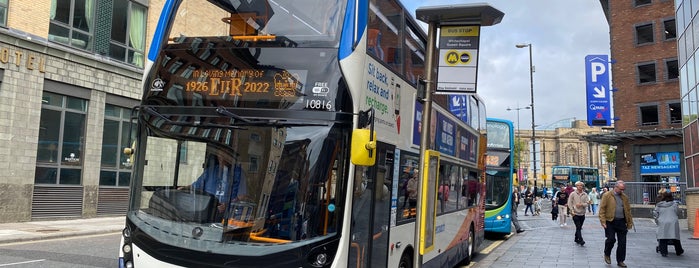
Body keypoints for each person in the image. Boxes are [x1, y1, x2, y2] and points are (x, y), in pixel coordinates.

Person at [599, 180, 633, 267]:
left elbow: (628, 210)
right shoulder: (607, 195)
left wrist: (629, 222)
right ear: (616, 187)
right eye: (621, 189)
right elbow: (602, 209)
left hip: (621, 221)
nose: (622, 191)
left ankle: (620, 260)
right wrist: (603, 221)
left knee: (622, 242)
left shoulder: (624, 197)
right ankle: (607, 253)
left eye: (623, 189)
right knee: (611, 239)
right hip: (610, 221)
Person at [653, 191, 684, 257]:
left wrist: (657, 221)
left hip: (662, 222)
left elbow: (655, 214)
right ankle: (679, 250)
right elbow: (678, 212)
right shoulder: (674, 205)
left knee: (663, 238)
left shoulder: (659, 205)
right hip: (673, 222)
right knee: (675, 238)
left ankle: (664, 252)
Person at [568, 181, 590, 246]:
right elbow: (569, 202)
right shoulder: (573, 194)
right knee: (578, 226)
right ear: (576, 186)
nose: (579, 186)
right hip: (575, 213)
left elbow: (587, 203)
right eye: (578, 185)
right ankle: (581, 240)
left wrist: (582, 204)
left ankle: (576, 238)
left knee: (579, 227)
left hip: (582, 214)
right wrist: (572, 210)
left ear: (582, 186)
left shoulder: (585, 194)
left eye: (581, 185)